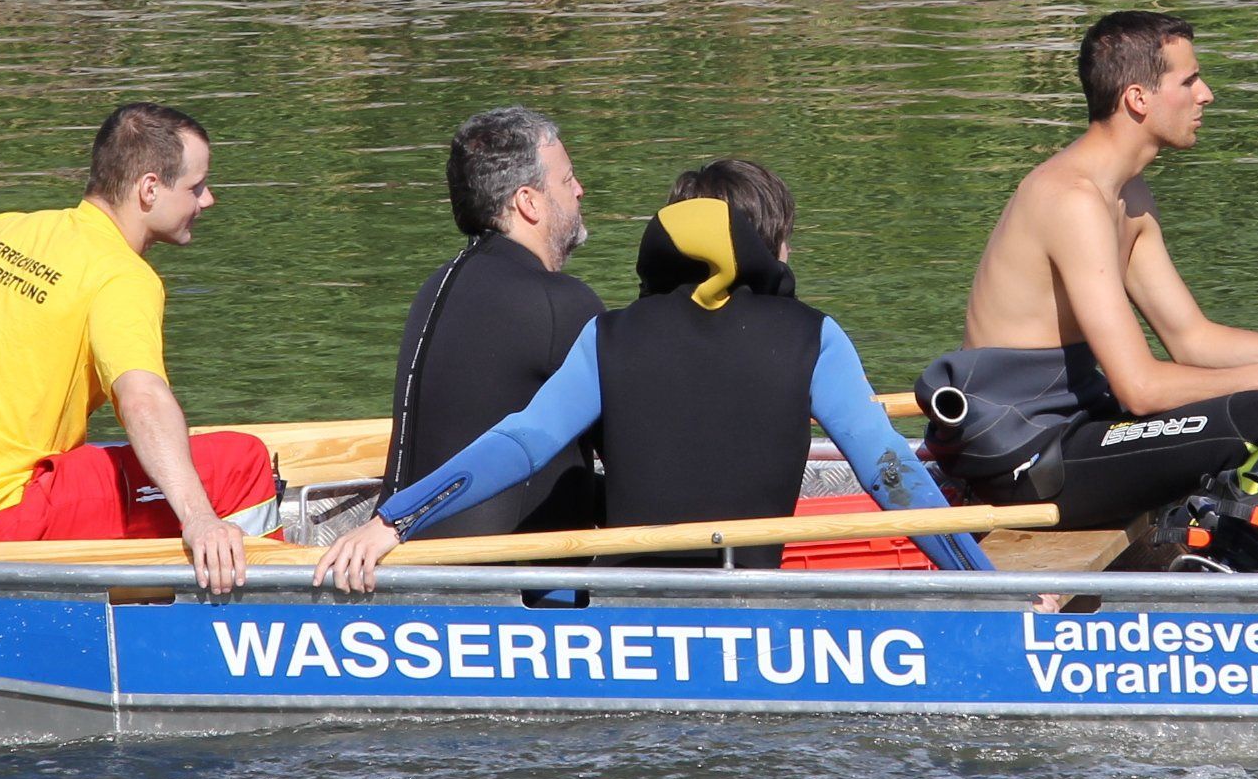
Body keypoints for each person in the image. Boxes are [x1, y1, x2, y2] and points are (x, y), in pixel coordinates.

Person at [318, 158, 982, 588]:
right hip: (752, 615)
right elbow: (888, 471)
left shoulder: (608, 336)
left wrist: (394, 521)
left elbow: (520, 443)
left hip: (628, 621)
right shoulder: (815, 338)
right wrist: (987, 584)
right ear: (758, 247)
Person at [917, 11, 1258, 532]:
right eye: (1189, 81)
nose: (1206, 94)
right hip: (1024, 459)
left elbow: (1193, 340)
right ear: (1138, 99)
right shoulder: (1071, 200)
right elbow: (1141, 388)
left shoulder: (1128, 193)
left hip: (1085, 425)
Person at [0, 102, 275, 592]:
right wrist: (199, 519)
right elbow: (142, 398)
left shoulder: (6, 231)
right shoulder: (122, 277)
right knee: (243, 461)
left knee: (126, 459)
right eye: (196, 187)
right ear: (150, 189)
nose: (208, 199)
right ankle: (270, 604)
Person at [382, 106, 605, 540]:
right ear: (528, 202)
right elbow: (636, 452)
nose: (579, 190)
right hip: (514, 589)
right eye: (566, 179)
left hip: (406, 555)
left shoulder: (436, 285)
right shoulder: (559, 302)